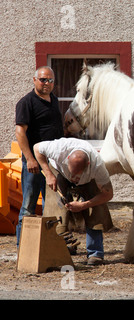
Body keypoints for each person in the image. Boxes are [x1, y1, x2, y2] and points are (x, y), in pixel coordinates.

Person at [33, 137, 114, 266]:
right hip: (58, 171)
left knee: (96, 210)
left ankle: (95, 253)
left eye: (76, 175)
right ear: (67, 158)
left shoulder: (97, 166)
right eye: (72, 174)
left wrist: (85, 204)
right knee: (55, 209)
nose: (73, 178)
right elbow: (37, 148)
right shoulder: (59, 149)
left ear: (87, 165)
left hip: (88, 180)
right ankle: (63, 249)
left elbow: (108, 194)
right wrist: (48, 174)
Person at [15, 66, 64, 246]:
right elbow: (20, 132)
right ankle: (24, 248)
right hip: (34, 163)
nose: (47, 84)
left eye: (50, 80)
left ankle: (48, 248)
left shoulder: (54, 100)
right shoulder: (26, 102)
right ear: (34, 80)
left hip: (53, 163)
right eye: (43, 80)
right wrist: (30, 159)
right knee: (28, 206)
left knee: (51, 207)